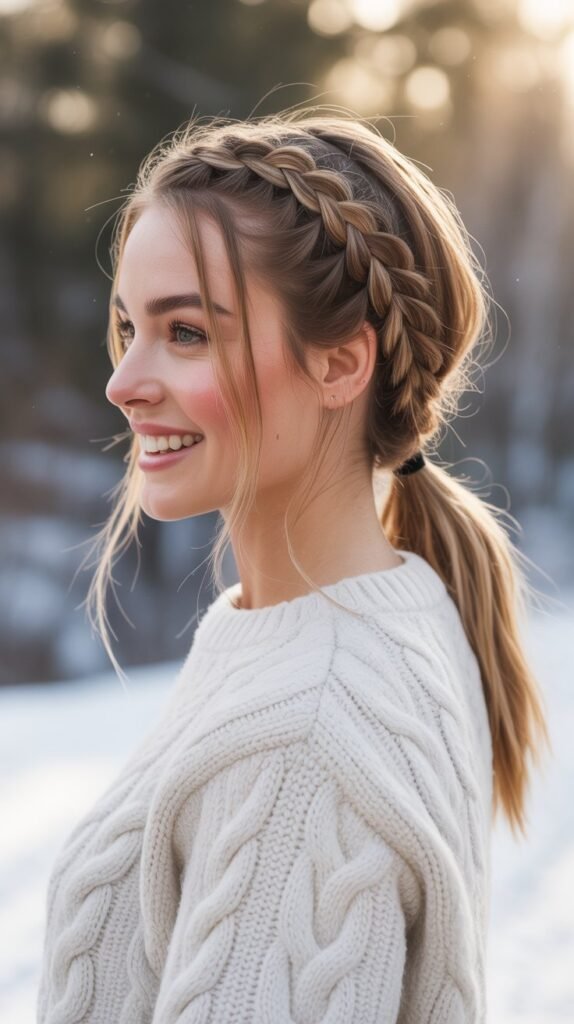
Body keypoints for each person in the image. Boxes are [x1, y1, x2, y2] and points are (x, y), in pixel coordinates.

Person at [36, 109, 551, 1023]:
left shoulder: (303, 735)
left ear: (342, 363)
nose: (123, 381)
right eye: (129, 328)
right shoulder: (388, 602)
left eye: (186, 332)